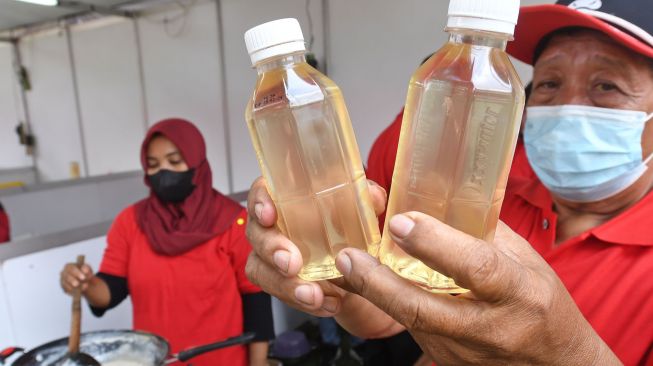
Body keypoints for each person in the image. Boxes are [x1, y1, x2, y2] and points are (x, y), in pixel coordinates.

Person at [244, 0, 653, 365]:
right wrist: (345, 269)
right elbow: (390, 313)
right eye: (549, 83)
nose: (568, 106)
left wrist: (568, 356)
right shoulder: (489, 196)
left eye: (606, 86)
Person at [60, 119, 274, 366]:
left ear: (198, 163)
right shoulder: (130, 222)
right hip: (155, 360)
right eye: (153, 165)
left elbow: (256, 302)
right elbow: (109, 291)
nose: (163, 172)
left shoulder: (232, 221)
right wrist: (84, 284)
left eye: (174, 161)